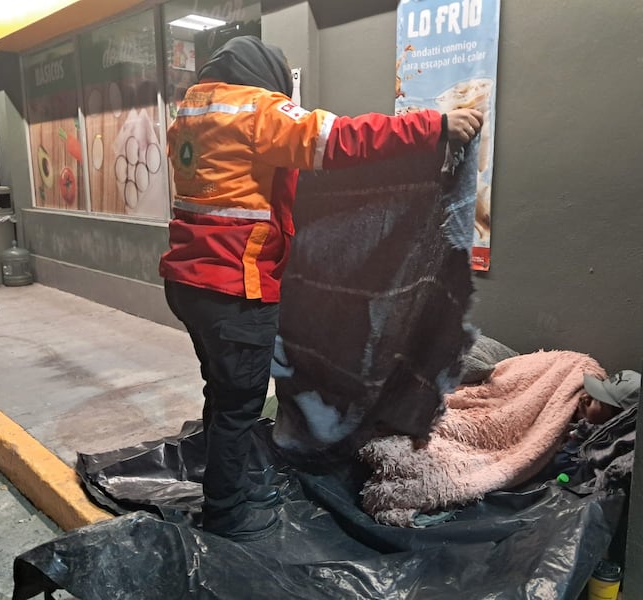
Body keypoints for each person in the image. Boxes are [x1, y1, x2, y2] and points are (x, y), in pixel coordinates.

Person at [159, 35, 484, 542]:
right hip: (234, 290)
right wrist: (434, 126)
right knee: (239, 407)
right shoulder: (255, 110)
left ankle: (230, 484)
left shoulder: (192, 117)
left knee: (222, 395)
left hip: (189, 285)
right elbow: (341, 139)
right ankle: (227, 513)